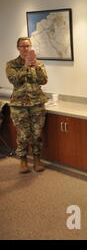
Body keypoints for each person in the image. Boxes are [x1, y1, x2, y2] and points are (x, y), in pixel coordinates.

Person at [6, 37, 48, 173]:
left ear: (31, 47)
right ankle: (23, 160)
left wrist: (36, 66)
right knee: (23, 135)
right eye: (22, 46)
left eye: (27, 46)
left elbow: (44, 81)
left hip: (37, 104)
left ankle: (37, 159)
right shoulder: (11, 64)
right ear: (18, 48)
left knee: (37, 134)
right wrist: (25, 65)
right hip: (19, 106)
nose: (25, 49)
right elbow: (14, 80)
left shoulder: (38, 64)